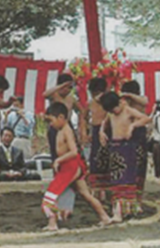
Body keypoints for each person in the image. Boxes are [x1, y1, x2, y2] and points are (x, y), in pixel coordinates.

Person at [42, 102, 112, 231]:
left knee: (50, 196)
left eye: (51, 120)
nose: (50, 124)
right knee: (85, 194)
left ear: (61, 117)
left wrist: (58, 160)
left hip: (70, 167)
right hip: (70, 166)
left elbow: (74, 151)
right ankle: (105, 217)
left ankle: (52, 223)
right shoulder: (61, 129)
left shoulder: (66, 130)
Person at [100, 91, 151, 220]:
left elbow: (146, 118)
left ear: (119, 102)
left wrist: (132, 126)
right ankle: (117, 210)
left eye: (115, 108)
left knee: (126, 179)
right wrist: (101, 132)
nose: (114, 111)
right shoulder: (110, 113)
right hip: (115, 147)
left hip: (127, 147)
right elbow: (103, 123)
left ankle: (124, 209)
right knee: (116, 179)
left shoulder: (128, 110)